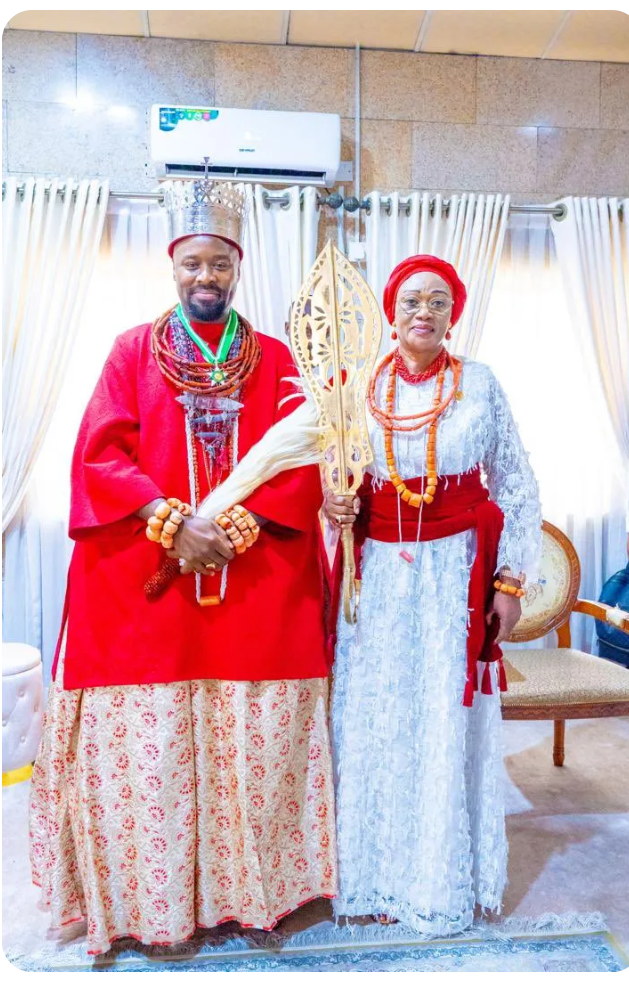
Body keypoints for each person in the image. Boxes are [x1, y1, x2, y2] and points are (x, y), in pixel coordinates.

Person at [29, 179, 336, 956]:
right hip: (145, 584)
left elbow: (302, 461)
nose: (206, 278)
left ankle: (253, 894)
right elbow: (101, 454)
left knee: (253, 752)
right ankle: (151, 906)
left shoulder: (274, 357)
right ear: (174, 266)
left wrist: (227, 526)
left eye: (219, 266)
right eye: (192, 264)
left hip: (256, 578)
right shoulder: (133, 350)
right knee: (151, 761)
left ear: (237, 269)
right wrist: (172, 522)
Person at [324, 255, 542, 934]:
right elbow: (328, 471)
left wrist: (509, 582)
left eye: (439, 302)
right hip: (380, 576)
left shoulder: (479, 384)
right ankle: (372, 877)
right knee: (377, 715)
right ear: (390, 311)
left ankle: (442, 878)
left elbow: (516, 484)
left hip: (455, 576)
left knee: (444, 720)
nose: (425, 312)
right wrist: (332, 501)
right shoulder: (355, 387)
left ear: (453, 313)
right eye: (412, 300)